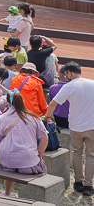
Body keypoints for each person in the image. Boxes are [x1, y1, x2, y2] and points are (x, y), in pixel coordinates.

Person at [46, 62, 94, 195]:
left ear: (70, 73)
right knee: (91, 156)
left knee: (77, 154)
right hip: (92, 126)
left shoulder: (70, 86)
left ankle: (78, 181)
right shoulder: (92, 83)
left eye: (66, 73)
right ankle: (88, 186)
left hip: (76, 126)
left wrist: (48, 117)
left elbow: (53, 103)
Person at [0, 92, 50, 196]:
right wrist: (39, 155)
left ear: (8, 103)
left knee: (11, 168)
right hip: (28, 160)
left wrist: (1, 153)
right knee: (40, 168)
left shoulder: (2, 118)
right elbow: (44, 139)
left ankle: (7, 193)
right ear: (23, 101)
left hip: (7, 160)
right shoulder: (34, 117)